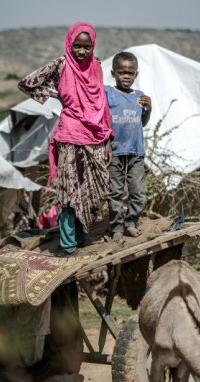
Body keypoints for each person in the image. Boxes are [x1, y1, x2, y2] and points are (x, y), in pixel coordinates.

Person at [18, 22, 113, 255]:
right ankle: (69, 242)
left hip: (95, 135)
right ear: (69, 44)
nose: (81, 51)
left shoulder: (97, 67)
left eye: (87, 46)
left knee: (94, 191)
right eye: (77, 46)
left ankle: (81, 236)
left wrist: (109, 139)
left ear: (93, 46)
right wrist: (56, 95)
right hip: (70, 135)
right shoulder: (61, 64)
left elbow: (102, 104)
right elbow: (27, 84)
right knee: (70, 193)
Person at [105, 51, 152, 242]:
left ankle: (130, 222)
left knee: (138, 192)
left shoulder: (140, 96)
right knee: (115, 192)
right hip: (114, 151)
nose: (126, 76)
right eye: (121, 72)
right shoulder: (107, 92)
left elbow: (143, 122)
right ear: (113, 73)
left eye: (130, 73)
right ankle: (116, 227)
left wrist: (150, 108)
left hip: (135, 151)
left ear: (136, 75)